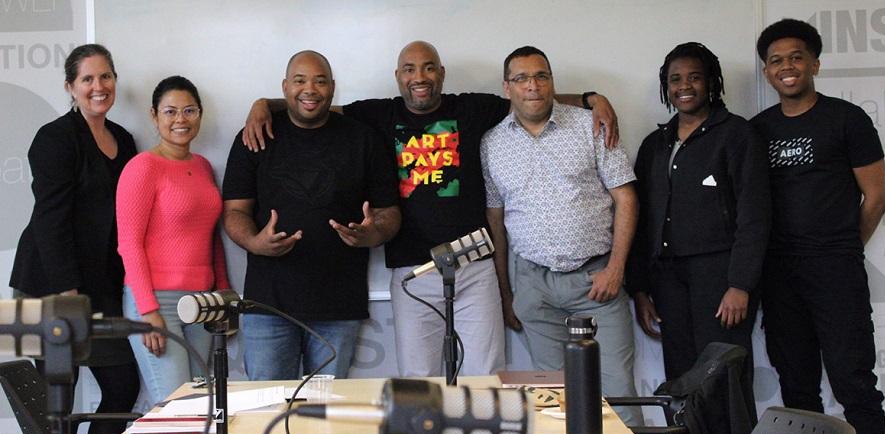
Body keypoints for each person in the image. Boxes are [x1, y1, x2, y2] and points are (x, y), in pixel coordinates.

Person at [241, 41, 620, 378]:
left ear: (441, 74)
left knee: (484, 372)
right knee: (418, 378)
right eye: (409, 69)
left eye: (427, 68)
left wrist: (590, 99)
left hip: (474, 263)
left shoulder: (471, 108)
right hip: (412, 268)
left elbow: (530, 98)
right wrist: (264, 105)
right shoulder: (377, 115)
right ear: (398, 76)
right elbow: (317, 103)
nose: (419, 77)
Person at [752, 19, 885, 434]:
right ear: (766, 71)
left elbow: (878, 195)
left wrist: (845, 246)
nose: (787, 67)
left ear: (814, 63)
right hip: (779, 276)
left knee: (855, 386)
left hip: (835, 272)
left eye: (796, 57)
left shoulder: (847, 119)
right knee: (797, 389)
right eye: (776, 61)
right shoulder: (757, 130)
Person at [481, 46, 643, 427]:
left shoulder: (591, 125)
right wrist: (507, 293)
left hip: (596, 283)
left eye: (541, 76)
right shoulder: (492, 143)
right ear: (507, 88)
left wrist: (617, 268)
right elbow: (496, 220)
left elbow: (626, 197)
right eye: (522, 79)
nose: (533, 86)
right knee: (556, 403)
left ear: (552, 82)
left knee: (619, 397)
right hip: (533, 288)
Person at [223, 51, 400, 380]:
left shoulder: (363, 139)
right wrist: (253, 241)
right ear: (285, 86)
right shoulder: (254, 136)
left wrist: (372, 233)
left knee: (324, 416)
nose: (310, 89)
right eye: (300, 80)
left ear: (333, 87)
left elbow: (389, 213)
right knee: (267, 410)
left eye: (320, 81)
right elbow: (234, 211)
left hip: (338, 306)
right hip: (268, 305)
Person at [9, 44, 139, 434]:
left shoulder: (124, 139)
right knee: (55, 408)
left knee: (123, 385)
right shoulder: (53, 138)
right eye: (88, 79)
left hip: (100, 285)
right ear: (71, 86)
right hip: (51, 284)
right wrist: (67, 292)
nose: (98, 87)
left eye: (106, 77)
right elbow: (50, 221)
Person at [626, 42, 770, 381]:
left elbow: (755, 215)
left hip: (719, 277)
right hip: (667, 279)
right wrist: (640, 290)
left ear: (711, 82)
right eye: (675, 79)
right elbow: (642, 220)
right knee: (682, 380)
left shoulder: (737, 135)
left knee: (723, 378)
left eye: (694, 77)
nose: (684, 86)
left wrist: (741, 284)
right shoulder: (656, 144)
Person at [117, 76, 230, 404]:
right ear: (154, 115)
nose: (180, 119)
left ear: (200, 114)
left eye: (189, 110)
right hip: (157, 303)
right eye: (170, 111)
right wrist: (148, 311)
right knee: (176, 410)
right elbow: (129, 244)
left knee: (199, 407)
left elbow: (212, 237)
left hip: (201, 304)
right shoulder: (142, 168)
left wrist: (221, 296)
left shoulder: (204, 167)